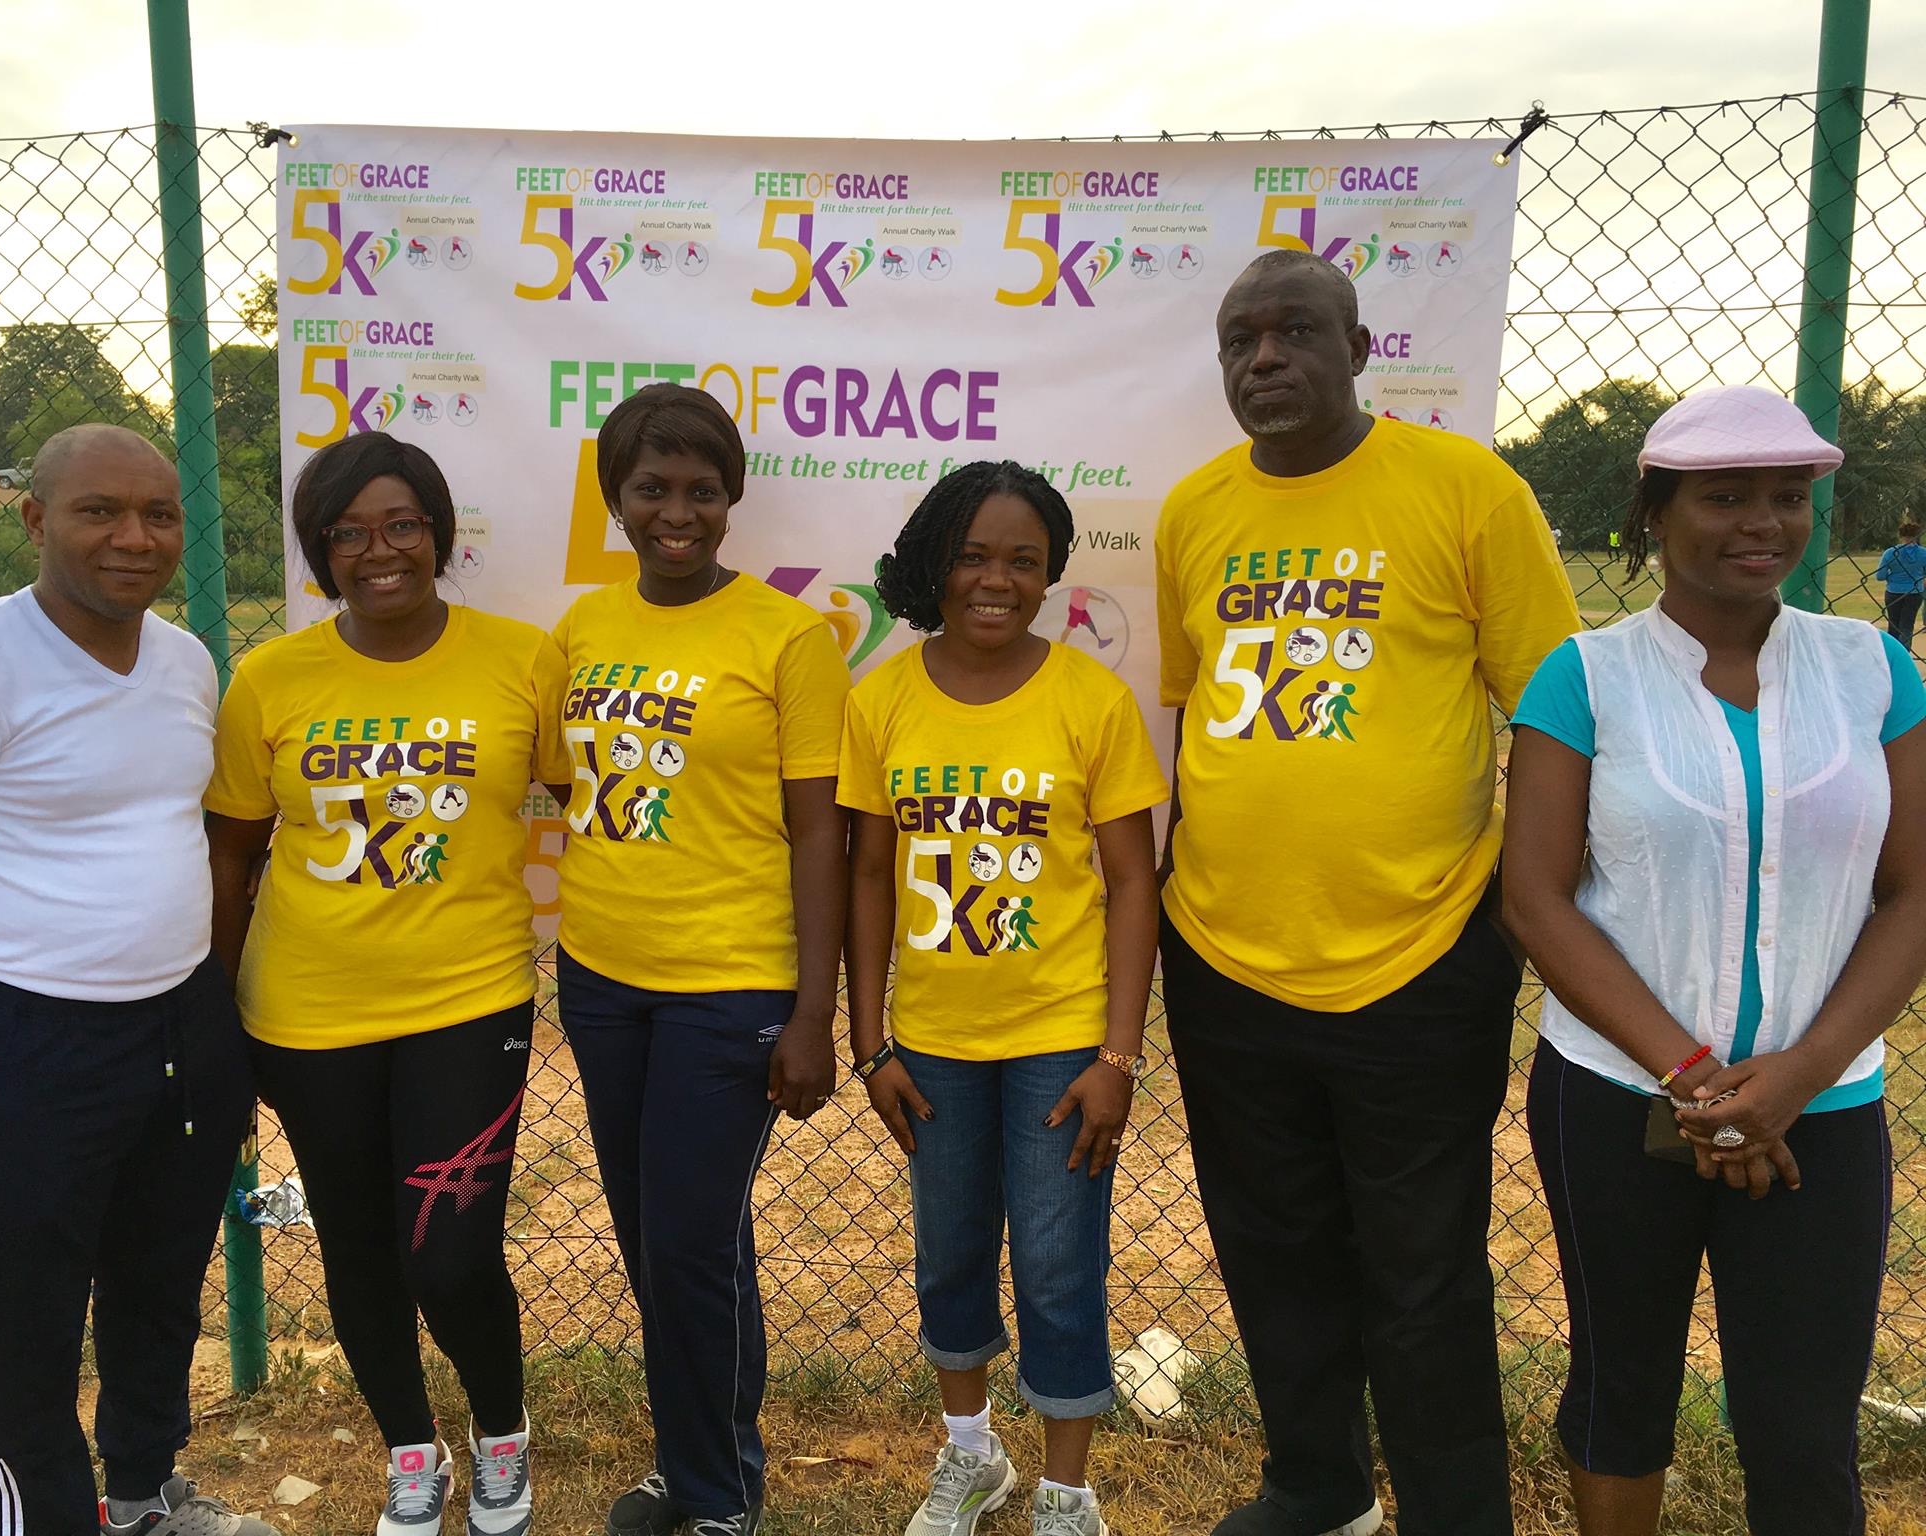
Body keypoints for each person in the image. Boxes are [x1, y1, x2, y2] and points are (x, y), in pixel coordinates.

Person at [1154, 249, 1582, 1536]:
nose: (1263, 358)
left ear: (1356, 348)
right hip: (1222, 950)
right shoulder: (1191, 512)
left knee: (1420, 1265)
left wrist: (1519, 897)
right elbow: (1187, 709)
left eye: (1293, 331)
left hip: (1421, 948)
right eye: (1239, 339)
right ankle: (1314, 1483)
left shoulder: (1464, 489)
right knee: (1270, 1245)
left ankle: (1452, 1510)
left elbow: (1555, 711)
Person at [1502, 387, 1926, 1536]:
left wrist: (1793, 1079)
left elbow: (1910, 892)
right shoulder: (1585, 676)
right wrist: (1692, 1077)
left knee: (1801, 1421)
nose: (1762, 523)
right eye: (1724, 496)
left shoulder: (1871, 671)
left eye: (1787, 496)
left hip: (1818, 1108)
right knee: (1620, 1387)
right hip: (1621, 1097)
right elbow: (1533, 898)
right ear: (1654, 512)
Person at [0, 424, 272, 1536]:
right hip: (26, 1040)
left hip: (182, 1024)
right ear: (35, 519)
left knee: (161, 1282)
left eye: (159, 514)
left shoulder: (186, 662)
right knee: (25, 1319)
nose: (134, 537)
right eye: (101, 511)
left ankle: (143, 1493)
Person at [205, 431, 569, 1536]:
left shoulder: (522, 660)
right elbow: (232, 854)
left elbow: (582, 801)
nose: (379, 551)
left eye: (402, 524)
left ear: (439, 533)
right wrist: (212, 1008)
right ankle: (414, 1453)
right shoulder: (271, 679)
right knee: (359, 1247)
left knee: (448, 1255)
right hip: (305, 1014)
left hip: (469, 999)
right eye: (348, 533)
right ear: (320, 550)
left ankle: (500, 1433)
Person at [840, 463, 1167, 1536]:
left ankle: (1068, 1494)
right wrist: (870, 1042)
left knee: (1059, 1263)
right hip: (933, 1040)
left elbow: (1132, 882)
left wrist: (1116, 1057)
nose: (996, 580)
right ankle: (972, 1457)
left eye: (1023, 561)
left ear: (1052, 575)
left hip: (1059, 1040)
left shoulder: (1089, 700)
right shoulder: (882, 698)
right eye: (973, 556)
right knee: (949, 1252)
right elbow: (868, 874)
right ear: (934, 563)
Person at [552, 384, 850, 1536]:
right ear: (615, 499)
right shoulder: (583, 629)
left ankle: (720, 1496)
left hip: (730, 982)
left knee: (687, 1242)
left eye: (701, 491)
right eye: (651, 489)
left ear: (731, 501)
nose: (676, 513)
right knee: (660, 1240)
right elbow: (571, 783)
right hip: (600, 973)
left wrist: (813, 1011)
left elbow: (818, 833)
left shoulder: (786, 637)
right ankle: (693, 1468)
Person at [1873, 515, 1926, 654]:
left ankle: (1892, 655)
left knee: (1893, 625)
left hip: (1893, 591)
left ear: (1900, 536)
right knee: (1907, 626)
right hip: (1915, 592)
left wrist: (1892, 576)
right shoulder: (1923, 554)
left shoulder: (1890, 553)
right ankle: (1904, 655)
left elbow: (1880, 576)